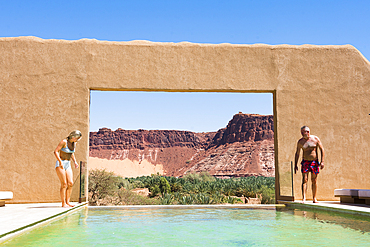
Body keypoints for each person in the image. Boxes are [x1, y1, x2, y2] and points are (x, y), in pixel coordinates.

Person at [294, 126, 325, 203]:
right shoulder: (300, 142)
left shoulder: (315, 139)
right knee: (304, 179)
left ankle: (314, 198)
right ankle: (304, 198)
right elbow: (297, 153)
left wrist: (322, 161)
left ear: (307, 132)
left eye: (303, 132)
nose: (301, 134)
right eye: (301, 132)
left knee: (314, 180)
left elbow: (322, 149)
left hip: (314, 162)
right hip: (305, 162)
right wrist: (295, 164)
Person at [54, 130, 82, 207]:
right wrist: (60, 162)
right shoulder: (64, 142)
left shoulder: (74, 144)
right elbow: (56, 151)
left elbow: (71, 153)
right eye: (77, 138)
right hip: (61, 164)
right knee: (64, 184)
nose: (77, 140)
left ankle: (68, 202)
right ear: (73, 137)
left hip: (68, 164)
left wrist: (75, 162)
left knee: (70, 183)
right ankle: (63, 203)